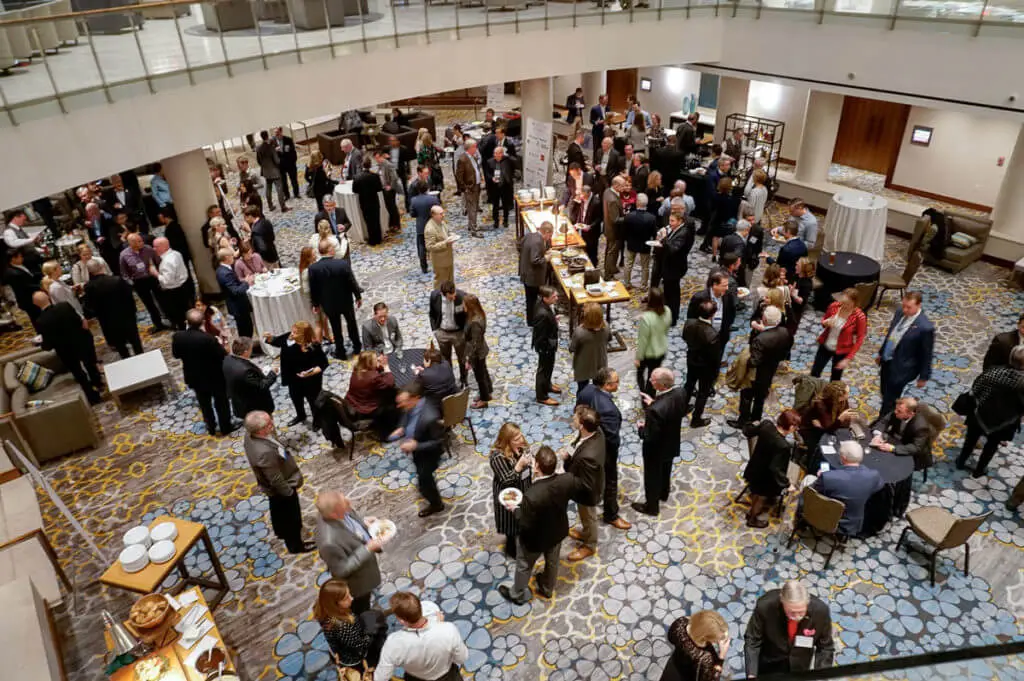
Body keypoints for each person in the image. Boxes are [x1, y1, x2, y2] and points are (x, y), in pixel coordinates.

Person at [498, 445, 574, 604]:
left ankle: (518, 594)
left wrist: (514, 508)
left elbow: (523, 521)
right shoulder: (566, 479)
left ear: (537, 466)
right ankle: (547, 588)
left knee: (524, 566)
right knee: (552, 562)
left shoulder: (531, 495)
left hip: (534, 540)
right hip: (557, 531)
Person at [243, 411, 314, 553]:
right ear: (261, 430)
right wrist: (288, 493)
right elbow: (275, 479)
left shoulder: (250, 435)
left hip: (275, 482)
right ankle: (295, 546)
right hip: (282, 488)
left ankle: (282, 532)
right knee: (291, 518)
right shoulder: (264, 452)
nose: (273, 424)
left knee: (279, 513)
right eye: (270, 423)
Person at [955, 345, 1024, 477]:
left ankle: (961, 462)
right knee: (992, 446)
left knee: (970, 440)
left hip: (980, 414)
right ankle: (979, 470)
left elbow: (975, 390)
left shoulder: (993, 371)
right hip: (1004, 422)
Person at [744, 580, 835, 677]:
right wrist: (752, 673)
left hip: (800, 666)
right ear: (782, 601)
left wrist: (821, 675)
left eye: (801, 612)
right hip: (769, 662)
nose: (797, 617)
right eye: (791, 612)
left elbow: (825, 647)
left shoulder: (820, 612)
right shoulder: (765, 606)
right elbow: (752, 640)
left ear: (807, 603)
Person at [577, 368, 630, 531]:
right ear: (607, 385)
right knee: (611, 479)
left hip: (586, 439)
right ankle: (611, 514)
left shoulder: (586, 390)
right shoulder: (609, 410)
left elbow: (578, 412)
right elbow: (612, 438)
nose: (619, 383)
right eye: (616, 381)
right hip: (603, 448)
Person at [315, 490, 383, 614]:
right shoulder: (328, 542)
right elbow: (341, 570)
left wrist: (364, 525)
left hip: (367, 567)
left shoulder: (341, 509)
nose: (349, 502)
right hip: (358, 582)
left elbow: (351, 525)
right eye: (344, 503)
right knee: (361, 607)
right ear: (334, 514)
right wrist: (367, 549)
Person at [373, 592, 468, 681]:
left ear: (401, 620)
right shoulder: (448, 629)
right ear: (420, 608)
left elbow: (381, 678)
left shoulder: (393, 643)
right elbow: (462, 658)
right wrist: (440, 626)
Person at [631, 368, 687, 516]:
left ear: (662, 385)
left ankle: (651, 507)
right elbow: (673, 410)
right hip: (671, 442)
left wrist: (641, 427)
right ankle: (663, 493)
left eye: (653, 379)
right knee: (666, 469)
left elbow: (648, 436)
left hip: (655, 450)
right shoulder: (680, 392)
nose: (650, 380)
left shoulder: (654, 411)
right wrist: (654, 403)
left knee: (652, 477)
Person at [172, 309, 236, 436]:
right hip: (214, 376)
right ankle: (225, 427)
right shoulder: (208, 339)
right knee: (221, 402)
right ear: (203, 322)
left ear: (186, 322)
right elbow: (223, 355)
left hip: (194, 377)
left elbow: (176, 354)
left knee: (204, 403)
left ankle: (210, 426)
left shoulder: (178, 337)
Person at [33, 292, 103, 404]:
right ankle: (98, 382)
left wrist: (41, 344)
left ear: (36, 304)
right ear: (48, 297)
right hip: (81, 340)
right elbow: (78, 321)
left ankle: (92, 397)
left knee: (78, 373)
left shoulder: (41, 321)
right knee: (90, 363)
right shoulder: (64, 306)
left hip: (66, 350)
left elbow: (48, 344)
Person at [728, 306, 791, 429]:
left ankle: (743, 421)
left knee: (746, 396)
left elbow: (754, 361)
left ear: (764, 319)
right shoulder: (786, 332)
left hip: (755, 374)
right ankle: (755, 420)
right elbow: (785, 352)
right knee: (760, 398)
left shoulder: (760, 339)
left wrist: (745, 358)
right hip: (770, 370)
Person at [390, 383, 447, 517]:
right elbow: (405, 416)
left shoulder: (430, 417)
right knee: (422, 477)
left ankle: (436, 504)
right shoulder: (410, 406)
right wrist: (402, 427)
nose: (399, 406)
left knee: (425, 479)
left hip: (428, 455)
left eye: (403, 402)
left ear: (415, 398)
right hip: (417, 452)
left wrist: (416, 446)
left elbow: (439, 442)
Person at [877, 291, 934, 417]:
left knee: (890, 398)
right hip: (887, 360)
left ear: (919, 305)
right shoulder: (899, 312)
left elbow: (927, 354)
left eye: (909, 307)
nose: (905, 310)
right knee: (884, 391)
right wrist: (882, 353)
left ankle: (882, 421)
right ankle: (888, 414)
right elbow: (891, 334)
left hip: (903, 368)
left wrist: (924, 376)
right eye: (903, 306)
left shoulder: (925, 328)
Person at [314, 579, 386, 674]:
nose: (351, 598)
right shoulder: (343, 626)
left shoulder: (325, 609)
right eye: (346, 598)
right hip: (355, 658)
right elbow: (360, 646)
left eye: (349, 594)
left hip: (342, 648)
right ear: (335, 603)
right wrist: (371, 633)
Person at [812, 441, 884, 536]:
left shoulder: (828, 477)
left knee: (809, 479)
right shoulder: (874, 475)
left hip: (825, 516)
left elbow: (814, 491)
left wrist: (820, 477)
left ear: (843, 458)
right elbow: (877, 487)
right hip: (850, 524)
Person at [743, 410, 801, 528]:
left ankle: (753, 510)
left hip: (753, 469)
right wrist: (787, 484)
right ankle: (752, 519)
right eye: (796, 427)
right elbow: (776, 469)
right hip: (765, 479)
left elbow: (748, 431)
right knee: (761, 497)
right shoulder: (783, 446)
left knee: (758, 491)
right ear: (791, 427)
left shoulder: (766, 425)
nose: (796, 429)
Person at [562, 405, 605, 562]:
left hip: (587, 492)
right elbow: (577, 444)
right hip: (588, 478)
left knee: (589, 516)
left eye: (575, 418)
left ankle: (590, 545)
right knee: (585, 516)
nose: (572, 419)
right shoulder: (595, 431)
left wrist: (563, 477)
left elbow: (584, 484)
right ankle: (586, 533)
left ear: (582, 425)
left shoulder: (587, 456)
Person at [266, 321, 328, 428]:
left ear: (304, 335)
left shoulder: (313, 346)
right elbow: (277, 341)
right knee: (296, 398)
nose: (292, 334)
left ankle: (317, 420)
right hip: (293, 378)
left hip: (310, 380)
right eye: (292, 331)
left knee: (313, 401)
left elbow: (323, 364)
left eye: (295, 333)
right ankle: (301, 415)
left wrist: (310, 373)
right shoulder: (288, 337)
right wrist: (269, 338)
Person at [309, 242, 363, 360]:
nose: (334, 249)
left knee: (335, 327)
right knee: (351, 324)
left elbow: (314, 288)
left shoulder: (313, 268)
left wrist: (315, 304)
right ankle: (357, 346)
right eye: (333, 248)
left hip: (329, 304)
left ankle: (341, 352)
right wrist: (358, 296)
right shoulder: (342, 264)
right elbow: (352, 282)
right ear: (329, 250)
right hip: (346, 301)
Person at [82, 260, 143, 359]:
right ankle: (142, 359)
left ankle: (127, 360)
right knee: (135, 341)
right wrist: (133, 311)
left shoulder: (88, 287)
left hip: (107, 321)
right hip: (126, 316)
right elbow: (129, 297)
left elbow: (89, 306)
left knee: (120, 346)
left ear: (89, 271)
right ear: (101, 267)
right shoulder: (117, 280)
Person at [489, 423, 531, 558]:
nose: (522, 440)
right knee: (511, 524)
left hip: (523, 489)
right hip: (508, 495)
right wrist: (519, 466)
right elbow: (506, 481)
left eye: (521, 436)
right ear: (507, 441)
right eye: (517, 439)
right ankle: (511, 549)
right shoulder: (497, 457)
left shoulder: (521, 447)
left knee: (523, 518)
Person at [812, 287, 867, 382]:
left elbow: (860, 339)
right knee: (814, 373)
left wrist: (848, 359)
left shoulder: (859, 317)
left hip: (842, 351)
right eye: (842, 302)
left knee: (835, 379)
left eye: (847, 304)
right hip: (825, 345)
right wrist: (825, 322)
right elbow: (824, 321)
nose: (843, 305)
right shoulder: (834, 306)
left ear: (854, 303)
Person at [681, 300, 720, 429]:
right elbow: (714, 358)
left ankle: (683, 408)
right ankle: (696, 419)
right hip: (706, 367)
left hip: (691, 359)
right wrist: (715, 373)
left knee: (689, 384)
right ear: (712, 315)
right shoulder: (712, 334)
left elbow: (684, 337)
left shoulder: (689, 323)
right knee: (703, 393)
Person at [660, 610, 730, 681]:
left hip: (673, 666)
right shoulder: (706, 658)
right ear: (705, 637)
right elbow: (712, 679)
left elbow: (670, 638)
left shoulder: (680, 624)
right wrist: (721, 657)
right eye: (716, 639)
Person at [119, 233, 167, 333]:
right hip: (139, 282)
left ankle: (170, 320)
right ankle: (158, 324)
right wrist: (131, 283)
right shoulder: (124, 255)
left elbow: (158, 261)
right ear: (131, 243)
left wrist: (159, 273)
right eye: (139, 241)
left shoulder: (148, 249)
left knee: (162, 299)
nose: (142, 242)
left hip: (152, 278)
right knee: (149, 304)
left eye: (141, 240)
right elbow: (124, 273)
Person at [343, 351, 397, 438]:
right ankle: (386, 434)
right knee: (391, 400)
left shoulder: (357, 369)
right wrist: (386, 366)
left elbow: (372, 372)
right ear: (369, 363)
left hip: (353, 402)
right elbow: (390, 382)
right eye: (375, 359)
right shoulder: (373, 377)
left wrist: (377, 365)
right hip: (366, 408)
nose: (378, 359)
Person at [687, 271, 736, 362]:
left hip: (720, 336)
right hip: (702, 338)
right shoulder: (699, 298)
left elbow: (731, 312)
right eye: (724, 285)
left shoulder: (728, 295)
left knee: (716, 359)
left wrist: (727, 327)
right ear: (714, 285)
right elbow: (691, 319)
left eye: (727, 285)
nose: (727, 288)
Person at [657, 212, 696, 326]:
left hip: (674, 268)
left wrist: (664, 237)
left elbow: (672, 249)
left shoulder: (683, 233)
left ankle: (673, 318)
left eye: (672, 221)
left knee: (672, 295)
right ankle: (669, 314)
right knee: (669, 293)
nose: (670, 223)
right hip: (670, 266)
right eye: (669, 220)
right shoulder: (676, 229)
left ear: (680, 221)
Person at [224, 337, 277, 417]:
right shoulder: (245, 371)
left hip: (240, 401)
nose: (251, 351)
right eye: (250, 349)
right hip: (255, 408)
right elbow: (262, 386)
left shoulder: (228, 359)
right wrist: (273, 373)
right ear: (245, 352)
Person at [428, 281, 468, 387]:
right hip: (442, 333)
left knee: (462, 358)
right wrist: (435, 330)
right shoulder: (434, 296)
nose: (454, 298)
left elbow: (468, 315)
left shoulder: (462, 296)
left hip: (458, 333)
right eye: (451, 297)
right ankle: (450, 380)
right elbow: (432, 314)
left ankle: (464, 379)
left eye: (454, 295)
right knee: (446, 359)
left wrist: (466, 332)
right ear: (443, 294)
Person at [870, 397, 931, 466]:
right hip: (897, 440)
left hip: (910, 453)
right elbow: (883, 422)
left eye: (899, 411)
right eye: (896, 409)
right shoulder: (898, 410)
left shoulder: (921, 427)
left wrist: (893, 448)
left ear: (910, 414)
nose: (895, 412)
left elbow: (916, 447)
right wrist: (877, 435)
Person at [800, 381, 856, 457]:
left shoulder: (843, 401)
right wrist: (840, 418)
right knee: (818, 452)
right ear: (838, 397)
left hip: (828, 427)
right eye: (847, 393)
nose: (848, 395)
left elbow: (846, 423)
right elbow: (828, 430)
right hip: (811, 430)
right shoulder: (820, 405)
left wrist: (838, 422)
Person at [636, 287, 672, 398]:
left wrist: (638, 357)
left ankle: (643, 394)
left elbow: (643, 340)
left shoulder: (646, 318)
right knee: (654, 377)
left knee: (640, 374)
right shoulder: (667, 310)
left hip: (648, 352)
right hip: (661, 350)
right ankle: (651, 396)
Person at [149, 236, 191, 331]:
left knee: (179, 316)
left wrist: (155, 273)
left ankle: (183, 332)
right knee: (185, 312)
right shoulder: (176, 253)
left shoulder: (167, 261)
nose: (154, 249)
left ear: (164, 246)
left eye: (156, 246)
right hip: (182, 287)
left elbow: (167, 281)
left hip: (173, 292)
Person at [570, 302, 610, 392]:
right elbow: (609, 338)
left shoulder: (580, 332)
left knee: (582, 390)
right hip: (600, 363)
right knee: (598, 390)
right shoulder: (606, 326)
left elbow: (572, 348)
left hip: (583, 366)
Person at [519, 221, 553, 327]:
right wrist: (545, 258)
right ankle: (532, 321)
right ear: (546, 232)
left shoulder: (530, 235)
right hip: (532, 277)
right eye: (550, 235)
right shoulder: (538, 241)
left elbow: (519, 245)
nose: (550, 238)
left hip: (525, 272)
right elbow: (535, 260)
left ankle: (531, 319)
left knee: (530, 299)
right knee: (532, 300)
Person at [216, 249, 254, 339]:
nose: (233, 257)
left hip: (238, 304)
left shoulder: (223, 269)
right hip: (238, 306)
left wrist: (243, 282)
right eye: (232, 256)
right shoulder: (225, 273)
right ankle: (246, 346)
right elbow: (236, 291)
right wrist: (246, 283)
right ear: (226, 257)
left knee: (247, 329)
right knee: (246, 330)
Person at [532, 286, 561, 406]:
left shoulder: (544, 305)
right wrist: (546, 349)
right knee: (543, 370)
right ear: (545, 298)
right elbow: (540, 336)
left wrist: (553, 320)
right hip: (545, 347)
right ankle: (541, 396)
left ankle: (547, 385)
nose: (557, 298)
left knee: (549, 367)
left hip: (549, 344)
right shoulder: (542, 315)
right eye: (553, 297)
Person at [622, 193, 657, 290]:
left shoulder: (629, 216)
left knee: (628, 264)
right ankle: (643, 285)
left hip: (631, 243)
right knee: (645, 267)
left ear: (637, 202)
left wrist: (626, 240)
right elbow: (654, 234)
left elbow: (624, 232)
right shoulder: (652, 218)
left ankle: (626, 283)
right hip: (645, 245)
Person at [463, 293, 492, 409]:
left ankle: (484, 400)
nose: (463, 306)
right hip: (481, 350)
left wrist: (469, 360)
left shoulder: (475, 322)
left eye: (464, 304)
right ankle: (488, 392)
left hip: (477, 354)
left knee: (480, 377)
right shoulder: (480, 314)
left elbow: (475, 344)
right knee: (484, 372)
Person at [455, 139, 486, 238]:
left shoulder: (474, 157)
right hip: (469, 187)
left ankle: (471, 225)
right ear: (470, 148)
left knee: (474, 207)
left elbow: (475, 169)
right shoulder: (462, 159)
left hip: (476, 185)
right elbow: (459, 176)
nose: (476, 148)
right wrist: (464, 188)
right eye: (475, 147)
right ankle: (474, 229)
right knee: (472, 208)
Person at [409, 183, 441, 274]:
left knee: (421, 246)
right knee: (435, 244)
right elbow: (439, 210)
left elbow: (412, 214)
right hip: (433, 225)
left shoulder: (414, 200)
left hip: (421, 227)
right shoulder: (433, 199)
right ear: (427, 188)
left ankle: (424, 268)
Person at [353, 158, 385, 246]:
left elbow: (354, 190)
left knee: (368, 221)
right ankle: (378, 239)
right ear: (370, 165)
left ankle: (372, 240)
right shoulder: (375, 176)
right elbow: (379, 189)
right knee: (376, 220)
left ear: (362, 165)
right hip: (374, 201)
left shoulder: (357, 177)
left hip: (364, 202)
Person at [424, 205, 456, 290]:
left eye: (443, 213)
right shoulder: (430, 229)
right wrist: (445, 243)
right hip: (440, 260)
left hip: (448, 257)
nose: (443, 215)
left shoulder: (442, 222)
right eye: (440, 214)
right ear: (433, 215)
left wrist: (452, 235)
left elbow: (448, 231)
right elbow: (430, 246)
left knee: (450, 280)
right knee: (440, 282)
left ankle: (450, 295)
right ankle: (438, 296)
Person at [256, 130, 288, 212]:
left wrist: (264, 166)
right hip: (274, 171)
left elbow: (258, 161)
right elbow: (277, 161)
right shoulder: (271, 147)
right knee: (279, 189)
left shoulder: (258, 148)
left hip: (266, 172)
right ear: (267, 136)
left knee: (268, 189)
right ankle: (283, 207)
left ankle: (270, 206)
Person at [571, 184, 602, 266]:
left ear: (588, 193)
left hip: (592, 231)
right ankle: (586, 263)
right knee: (585, 247)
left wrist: (590, 226)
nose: (582, 197)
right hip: (583, 227)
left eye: (584, 195)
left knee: (592, 250)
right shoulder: (581, 199)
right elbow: (577, 212)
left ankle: (593, 265)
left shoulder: (596, 202)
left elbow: (599, 218)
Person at [601, 176, 625, 280]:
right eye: (622, 186)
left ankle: (612, 268)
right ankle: (608, 274)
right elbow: (615, 219)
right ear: (615, 185)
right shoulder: (613, 200)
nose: (624, 188)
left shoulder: (607, 191)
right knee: (611, 252)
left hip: (608, 227)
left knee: (610, 250)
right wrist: (627, 217)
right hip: (613, 231)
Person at [486, 146, 515, 229]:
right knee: (495, 205)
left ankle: (505, 221)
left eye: (497, 153)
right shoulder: (489, 162)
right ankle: (496, 221)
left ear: (501, 154)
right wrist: (492, 178)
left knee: (505, 205)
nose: (495, 155)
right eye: (494, 153)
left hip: (505, 186)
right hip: (494, 187)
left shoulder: (507, 160)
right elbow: (487, 173)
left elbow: (514, 167)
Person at [273, 127, 300, 200]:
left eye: (277, 132)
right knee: (283, 182)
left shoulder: (288, 139)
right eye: (275, 133)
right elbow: (272, 154)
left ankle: (296, 194)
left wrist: (293, 161)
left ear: (281, 132)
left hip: (290, 163)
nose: (276, 134)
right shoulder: (273, 141)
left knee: (294, 180)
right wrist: (275, 151)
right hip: (281, 166)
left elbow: (293, 151)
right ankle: (287, 195)